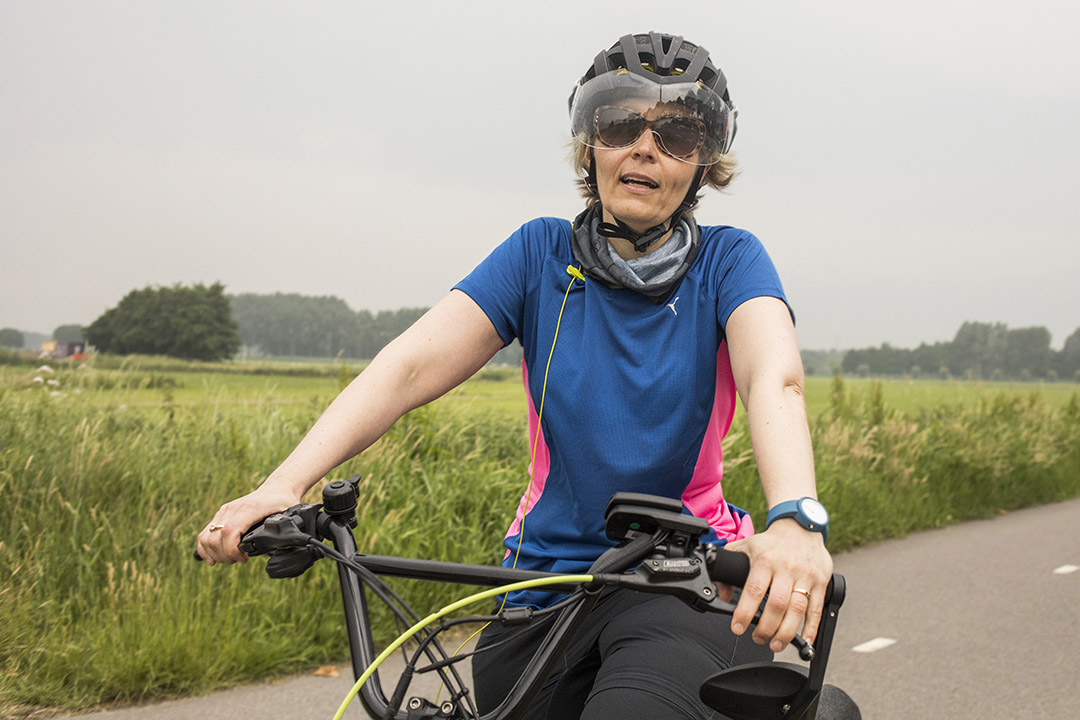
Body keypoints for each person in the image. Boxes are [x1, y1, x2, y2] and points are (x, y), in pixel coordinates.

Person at [198, 32, 858, 720]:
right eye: (621, 123)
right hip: (542, 591)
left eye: (679, 134)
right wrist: (283, 484)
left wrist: (794, 519)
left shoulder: (730, 262)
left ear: (702, 165)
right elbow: (407, 366)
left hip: (684, 582)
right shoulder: (537, 255)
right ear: (590, 143)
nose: (645, 147)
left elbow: (772, 378)